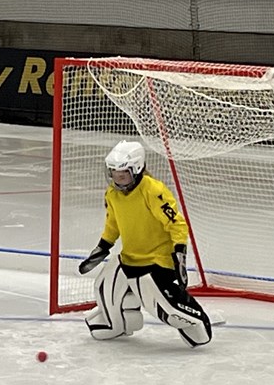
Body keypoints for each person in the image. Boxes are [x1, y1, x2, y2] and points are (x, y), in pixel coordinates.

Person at [78, 140, 212, 348]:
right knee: (103, 288)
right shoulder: (112, 194)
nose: (118, 178)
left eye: (123, 174)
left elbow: (176, 224)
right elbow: (113, 224)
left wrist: (179, 255)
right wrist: (102, 247)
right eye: (114, 173)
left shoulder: (153, 190)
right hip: (129, 259)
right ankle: (118, 323)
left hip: (155, 262)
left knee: (166, 310)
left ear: (137, 169)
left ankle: (197, 321)